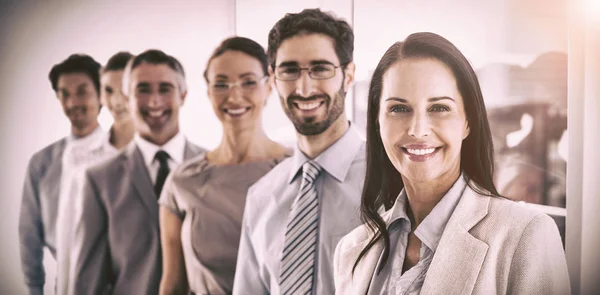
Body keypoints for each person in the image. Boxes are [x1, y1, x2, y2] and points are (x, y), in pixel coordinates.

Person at [333, 32, 570, 295]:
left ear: (468, 121)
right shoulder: (352, 250)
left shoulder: (525, 236)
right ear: (378, 123)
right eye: (399, 108)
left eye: (439, 108)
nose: (418, 129)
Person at [233, 8, 366, 295]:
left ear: (348, 74)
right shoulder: (260, 197)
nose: (304, 88)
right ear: (273, 77)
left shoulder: (392, 182)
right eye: (289, 70)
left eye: (320, 68)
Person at [158, 37, 290, 295]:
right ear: (208, 91)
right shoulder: (182, 181)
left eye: (248, 82)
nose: (234, 95)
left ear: (269, 86)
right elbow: (172, 284)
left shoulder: (297, 171)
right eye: (221, 84)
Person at [69, 49, 206, 295]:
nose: (154, 101)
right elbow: (88, 282)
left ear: (183, 95)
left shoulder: (211, 169)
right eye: (143, 89)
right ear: (127, 96)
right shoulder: (99, 180)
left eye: (165, 89)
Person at [18, 53, 103, 295]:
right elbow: (29, 232)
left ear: (101, 95)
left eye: (82, 91)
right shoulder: (43, 164)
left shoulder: (122, 157)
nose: (72, 102)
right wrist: (35, 288)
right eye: (64, 93)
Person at [55, 51, 136, 295]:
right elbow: (68, 232)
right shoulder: (79, 156)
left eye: (124, 89)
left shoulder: (158, 157)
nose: (117, 100)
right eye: (108, 90)